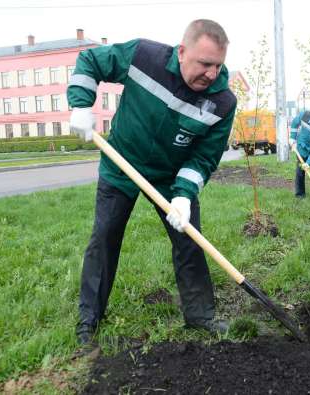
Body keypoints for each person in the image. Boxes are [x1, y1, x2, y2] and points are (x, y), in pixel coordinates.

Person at [67, 19, 237, 345]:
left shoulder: (223, 102)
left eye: (218, 65)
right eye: (204, 64)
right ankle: (89, 319)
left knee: (189, 241)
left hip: (170, 179)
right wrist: (80, 103)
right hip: (122, 165)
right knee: (104, 237)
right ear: (182, 51)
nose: (212, 74)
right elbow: (91, 60)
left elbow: (204, 157)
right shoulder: (143, 56)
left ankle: (200, 314)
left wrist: (185, 196)